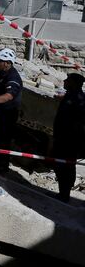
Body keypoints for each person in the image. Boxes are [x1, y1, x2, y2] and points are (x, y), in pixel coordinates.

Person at [50, 73, 85, 202]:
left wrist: (67, 138)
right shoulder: (72, 96)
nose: (64, 81)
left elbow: (77, 122)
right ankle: (63, 192)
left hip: (69, 140)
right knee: (60, 163)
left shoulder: (78, 100)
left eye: (68, 80)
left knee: (67, 165)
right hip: (63, 138)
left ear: (74, 83)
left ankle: (64, 194)